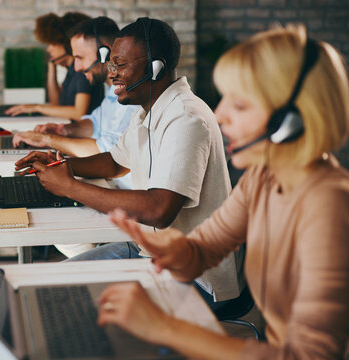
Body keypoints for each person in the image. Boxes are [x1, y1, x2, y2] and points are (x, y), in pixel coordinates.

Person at [98, 24, 349, 359]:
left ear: (291, 120)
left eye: (241, 106)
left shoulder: (327, 206)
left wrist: (165, 327)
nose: (220, 115)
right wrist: (179, 251)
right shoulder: (263, 178)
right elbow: (205, 249)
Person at [15, 18, 244, 304]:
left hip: (193, 276)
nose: (112, 74)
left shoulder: (186, 117)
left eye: (120, 65)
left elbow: (159, 209)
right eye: (111, 65)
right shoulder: (146, 112)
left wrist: (70, 187)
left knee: (68, 297)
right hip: (150, 251)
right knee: (51, 283)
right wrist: (61, 165)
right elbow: (113, 162)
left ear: (155, 67)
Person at [12, 17, 139, 163]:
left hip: (115, 183)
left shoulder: (131, 96)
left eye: (80, 58)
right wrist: (64, 130)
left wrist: (47, 139)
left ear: (104, 54)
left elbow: (109, 153)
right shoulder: (111, 90)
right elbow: (96, 123)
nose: (77, 67)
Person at [5, 12, 104, 120]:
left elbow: (79, 113)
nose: (48, 49)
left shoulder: (82, 72)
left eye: (52, 43)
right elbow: (56, 103)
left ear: (66, 44)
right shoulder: (71, 70)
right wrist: (51, 67)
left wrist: (37, 108)